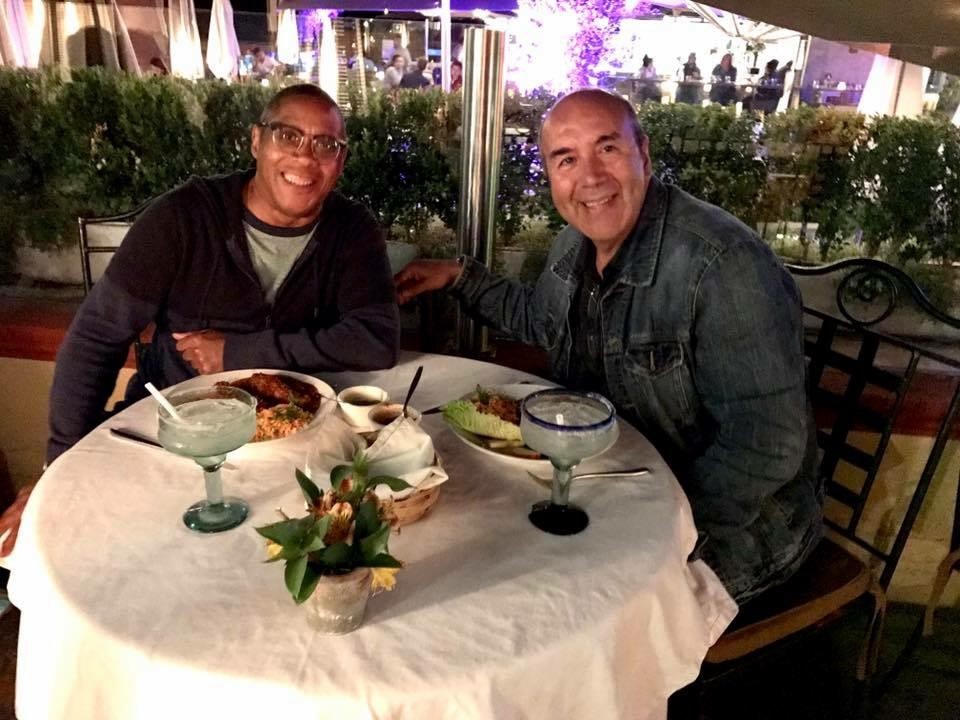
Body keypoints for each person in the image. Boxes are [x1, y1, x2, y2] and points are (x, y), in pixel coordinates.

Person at [394, 89, 821, 605]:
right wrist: (459, 276)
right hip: (617, 483)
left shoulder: (723, 266)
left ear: (644, 153)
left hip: (733, 524)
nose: (590, 177)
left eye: (608, 149)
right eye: (567, 159)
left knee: (570, 603)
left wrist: (654, 522)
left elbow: (766, 446)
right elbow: (541, 320)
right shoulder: (573, 244)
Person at [0, 85, 400, 558]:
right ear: (257, 141)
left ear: (341, 161)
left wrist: (239, 352)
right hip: (174, 445)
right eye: (288, 135)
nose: (305, 156)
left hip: (298, 453)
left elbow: (375, 340)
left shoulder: (351, 230)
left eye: (325, 144)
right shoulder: (183, 219)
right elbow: (95, 338)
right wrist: (59, 469)